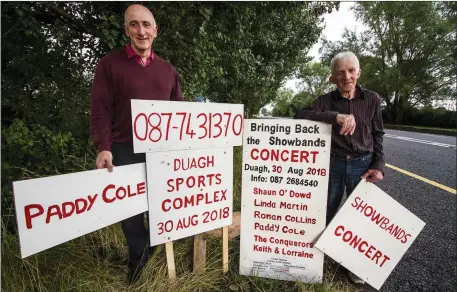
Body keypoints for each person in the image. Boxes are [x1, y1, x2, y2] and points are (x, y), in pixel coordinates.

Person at [90, 4, 184, 284]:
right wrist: (103, 146)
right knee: (130, 214)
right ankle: (137, 268)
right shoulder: (109, 65)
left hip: (160, 154)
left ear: (155, 31)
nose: (140, 30)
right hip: (123, 150)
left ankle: (150, 261)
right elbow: (100, 109)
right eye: (134, 24)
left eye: (146, 24)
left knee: (161, 209)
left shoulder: (168, 70)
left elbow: (178, 113)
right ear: (126, 30)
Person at [295, 51, 385, 285]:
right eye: (340, 73)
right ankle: (313, 258)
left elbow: (378, 134)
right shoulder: (325, 100)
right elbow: (300, 114)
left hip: (363, 165)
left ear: (359, 72)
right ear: (333, 78)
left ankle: (354, 264)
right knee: (324, 212)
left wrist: (378, 165)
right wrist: (335, 117)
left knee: (360, 218)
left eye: (351, 70)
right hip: (333, 164)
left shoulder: (373, 100)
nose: (347, 76)